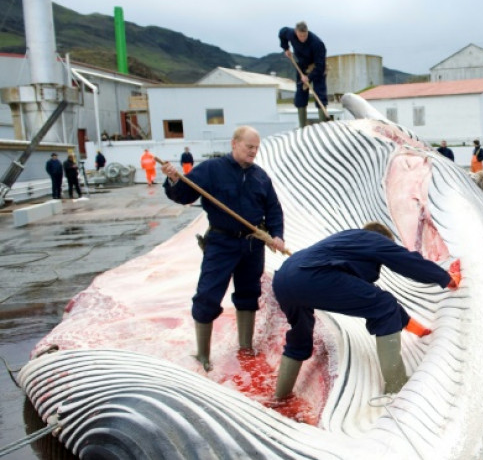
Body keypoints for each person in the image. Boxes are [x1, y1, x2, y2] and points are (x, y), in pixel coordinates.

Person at [271, 222, 461, 398]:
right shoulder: (374, 239)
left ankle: (280, 397)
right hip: (313, 277)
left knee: (300, 336)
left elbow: (368, 293)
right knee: (383, 306)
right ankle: (396, 385)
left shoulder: (347, 241)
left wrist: (417, 329)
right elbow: (407, 261)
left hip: (284, 280)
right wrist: (445, 278)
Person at [161, 126, 286, 371]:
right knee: (207, 294)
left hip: (252, 244)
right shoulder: (211, 169)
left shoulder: (261, 177)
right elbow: (185, 195)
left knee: (249, 294)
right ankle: (203, 354)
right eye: (249, 146)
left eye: (256, 148)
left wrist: (277, 235)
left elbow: (273, 209)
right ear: (234, 144)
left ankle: (245, 347)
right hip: (221, 242)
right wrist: (174, 179)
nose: (253, 152)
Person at [279, 21, 328, 128]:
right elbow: (282, 33)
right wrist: (286, 48)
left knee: (320, 93)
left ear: (307, 32)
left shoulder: (317, 43)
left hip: (317, 67)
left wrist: (309, 77)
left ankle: (324, 125)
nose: (302, 38)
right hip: (302, 66)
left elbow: (320, 66)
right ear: (296, 32)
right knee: (300, 94)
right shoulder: (290, 33)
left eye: (304, 35)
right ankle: (302, 126)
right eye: (300, 35)